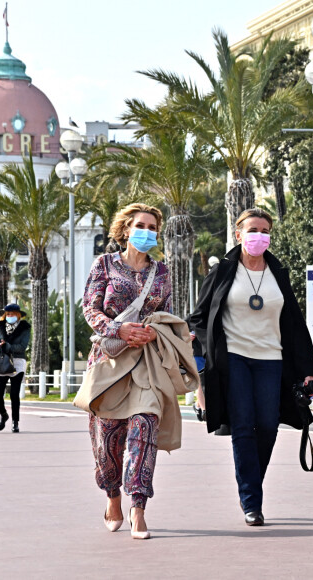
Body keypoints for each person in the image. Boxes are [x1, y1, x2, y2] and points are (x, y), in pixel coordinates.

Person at [76, 203, 200, 540]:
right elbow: (90, 308)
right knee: (108, 440)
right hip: (110, 361)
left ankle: (138, 505)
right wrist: (120, 330)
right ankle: (112, 494)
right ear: (126, 229)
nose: (147, 232)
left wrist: (171, 335)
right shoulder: (104, 264)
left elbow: (168, 313)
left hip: (148, 362)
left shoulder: (161, 272)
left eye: (153, 227)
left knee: (145, 426)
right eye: (141, 225)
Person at [191, 207, 313, 527]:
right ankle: (252, 500)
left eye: (264, 230)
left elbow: (294, 325)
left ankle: (251, 486)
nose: (258, 236)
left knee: (268, 425)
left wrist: (308, 369)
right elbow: (198, 317)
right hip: (233, 358)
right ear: (239, 235)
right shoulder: (222, 272)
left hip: (272, 359)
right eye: (252, 230)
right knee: (244, 425)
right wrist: (204, 356)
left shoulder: (279, 273)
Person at [0, 304, 30, 434]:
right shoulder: (1, 326)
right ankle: (3, 415)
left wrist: (8, 346)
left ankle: (15, 422)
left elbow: (22, 346)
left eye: (12, 314)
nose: (10, 316)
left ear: (18, 315)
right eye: (8, 314)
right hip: (3, 361)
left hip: (18, 362)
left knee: (14, 394)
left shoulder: (25, 328)